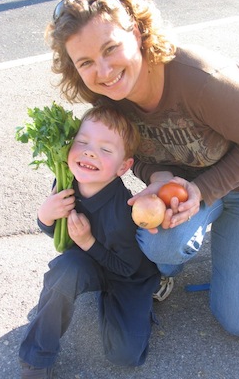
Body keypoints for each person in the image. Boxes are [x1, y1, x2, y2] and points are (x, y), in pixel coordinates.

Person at [45, 0, 239, 338]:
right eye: (87, 62)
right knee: (162, 246)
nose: (104, 71)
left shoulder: (205, 80)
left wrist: (202, 191)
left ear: (136, 32)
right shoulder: (106, 97)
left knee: (238, 322)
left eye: (110, 48)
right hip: (180, 187)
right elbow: (130, 157)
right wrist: (158, 176)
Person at [19, 106, 161, 378]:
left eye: (105, 150)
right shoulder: (65, 183)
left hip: (128, 276)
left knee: (126, 356)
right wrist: (45, 217)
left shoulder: (123, 212)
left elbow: (127, 267)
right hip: (89, 262)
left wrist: (88, 242)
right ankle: (36, 358)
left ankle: (148, 297)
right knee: (64, 271)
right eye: (82, 142)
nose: (90, 151)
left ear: (123, 167)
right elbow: (63, 235)